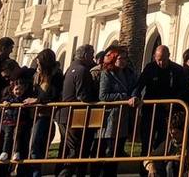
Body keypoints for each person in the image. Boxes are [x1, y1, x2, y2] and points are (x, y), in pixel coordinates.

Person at [136, 46, 189, 155]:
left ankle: (159, 168)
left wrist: (173, 101)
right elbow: (140, 85)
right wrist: (135, 96)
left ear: (169, 56)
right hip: (150, 110)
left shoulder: (177, 70)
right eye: (159, 59)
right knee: (146, 141)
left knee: (163, 141)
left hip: (168, 111)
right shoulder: (150, 68)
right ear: (154, 57)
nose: (161, 63)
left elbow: (183, 89)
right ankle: (144, 168)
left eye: (164, 59)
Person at [59, 44, 99, 177]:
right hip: (75, 116)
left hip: (66, 115)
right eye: (91, 54)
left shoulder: (71, 68)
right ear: (86, 55)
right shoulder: (82, 70)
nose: (93, 57)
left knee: (69, 149)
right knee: (76, 151)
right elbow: (83, 96)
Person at [98, 47, 138, 176]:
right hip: (111, 119)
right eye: (121, 58)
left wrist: (134, 96)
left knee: (117, 152)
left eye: (126, 58)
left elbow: (135, 87)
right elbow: (103, 96)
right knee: (109, 152)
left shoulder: (129, 73)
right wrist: (124, 97)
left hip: (124, 118)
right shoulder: (107, 73)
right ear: (114, 58)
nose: (124, 61)